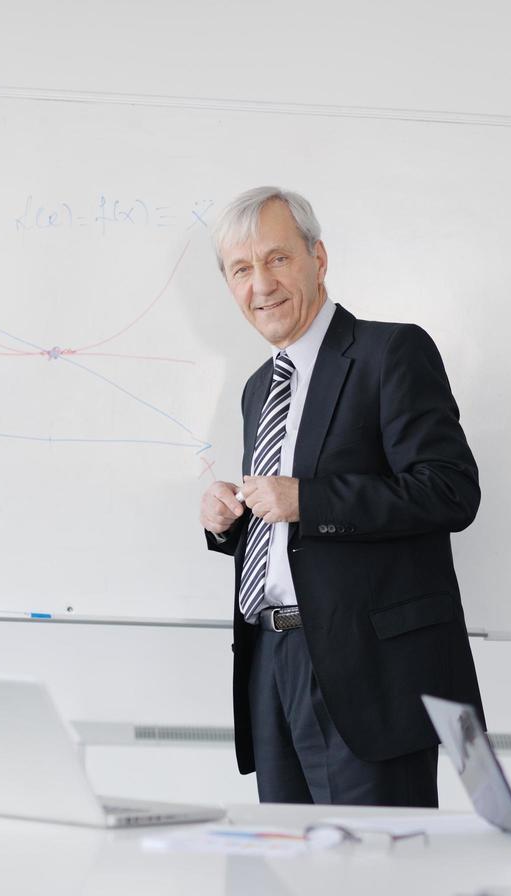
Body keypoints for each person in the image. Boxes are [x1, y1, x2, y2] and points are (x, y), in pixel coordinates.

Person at [197, 187, 485, 807]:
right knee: (289, 881)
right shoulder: (258, 389)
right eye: (241, 270)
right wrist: (230, 524)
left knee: (376, 886)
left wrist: (309, 499)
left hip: (367, 677)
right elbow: (289, 537)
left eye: (277, 259)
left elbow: (450, 491)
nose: (262, 284)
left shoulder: (390, 353)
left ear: (317, 259)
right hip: (271, 663)